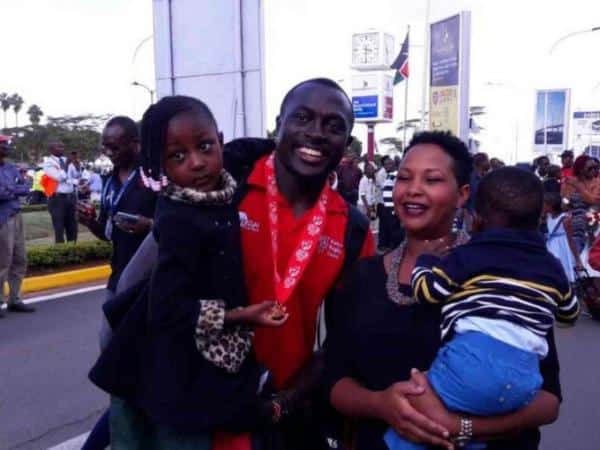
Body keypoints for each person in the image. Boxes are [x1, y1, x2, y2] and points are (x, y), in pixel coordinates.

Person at [113, 78, 375, 450]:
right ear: (278, 125)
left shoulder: (352, 228)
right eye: (302, 118)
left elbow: (341, 342)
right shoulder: (217, 189)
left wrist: (282, 404)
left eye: (334, 127)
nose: (317, 134)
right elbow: (134, 289)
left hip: (277, 416)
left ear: (345, 144)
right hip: (193, 415)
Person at [326, 131, 564, 450]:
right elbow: (334, 379)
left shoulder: (504, 274)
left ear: (463, 194)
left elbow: (548, 400)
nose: (413, 190)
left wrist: (463, 427)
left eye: (432, 179)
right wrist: (381, 404)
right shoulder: (362, 277)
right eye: (404, 178)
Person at [90, 96, 290, 449]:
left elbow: (248, 148)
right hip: (175, 364)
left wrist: (288, 143)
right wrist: (243, 315)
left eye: (205, 146)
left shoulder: (223, 175)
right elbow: (167, 312)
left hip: (192, 358)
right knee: (170, 433)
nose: (197, 163)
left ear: (220, 142)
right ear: (160, 166)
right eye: (177, 156)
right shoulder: (180, 221)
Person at [384, 166, 578, 450]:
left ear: (476, 220)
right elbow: (568, 313)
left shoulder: (468, 256)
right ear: (539, 218)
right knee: (472, 417)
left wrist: (425, 263)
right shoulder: (551, 266)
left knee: (417, 410)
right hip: (525, 381)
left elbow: (428, 292)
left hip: (469, 365)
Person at [78, 116, 157, 450]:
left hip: (147, 287)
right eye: (104, 145)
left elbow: (174, 225)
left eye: (114, 145)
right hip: (117, 283)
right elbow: (112, 235)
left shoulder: (153, 178)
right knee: (115, 363)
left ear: (135, 143)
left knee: (124, 370)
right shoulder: (110, 181)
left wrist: (147, 225)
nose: (107, 151)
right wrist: (93, 225)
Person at [0, 135, 35, 317]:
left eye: (6, 144)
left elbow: (26, 186)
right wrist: (13, 190)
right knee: (3, 262)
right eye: (3, 144)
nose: (6, 147)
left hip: (16, 215)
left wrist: (12, 190)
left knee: (20, 259)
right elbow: (2, 194)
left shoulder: (11, 167)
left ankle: (15, 299)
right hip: (3, 218)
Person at [562, 154, 600, 253]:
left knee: (591, 213)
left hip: (592, 217)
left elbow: (593, 200)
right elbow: (564, 202)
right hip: (573, 216)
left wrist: (578, 187)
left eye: (596, 167)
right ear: (581, 169)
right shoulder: (570, 182)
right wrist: (567, 197)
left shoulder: (597, 183)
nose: (594, 170)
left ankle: (578, 249)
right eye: (590, 168)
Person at [43, 140, 78, 243]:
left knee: (73, 227)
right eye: (59, 147)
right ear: (51, 149)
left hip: (71, 197)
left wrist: (76, 164)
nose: (62, 149)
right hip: (57, 199)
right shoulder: (48, 163)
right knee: (59, 228)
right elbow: (59, 177)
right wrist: (66, 166)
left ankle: (73, 251)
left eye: (63, 147)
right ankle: (61, 253)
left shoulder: (65, 160)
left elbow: (74, 176)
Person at [544, 192, 582, 283]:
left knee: (562, 270)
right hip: (551, 246)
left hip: (562, 247)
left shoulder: (565, 220)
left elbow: (570, 240)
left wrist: (577, 260)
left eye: (545, 204)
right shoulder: (548, 216)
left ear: (551, 206)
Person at [376, 156, 397, 251]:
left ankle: (391, 246)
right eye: (386, 164)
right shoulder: (383, 175)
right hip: (384, 205)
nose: (388, 166)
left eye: (390, 164)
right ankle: (383, 245)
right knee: (385, 226)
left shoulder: (394, 174)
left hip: (391, 205)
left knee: (391, 226)